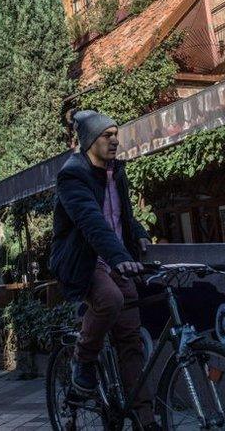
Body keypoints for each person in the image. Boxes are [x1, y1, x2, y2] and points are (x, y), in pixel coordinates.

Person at [49, 110, 156, 429]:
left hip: (115, 257)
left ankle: (143, 416)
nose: (114, 140)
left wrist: (139, 235)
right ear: (88, 141)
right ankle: (83, 361)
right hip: (84, 260)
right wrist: (118, 254)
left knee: (130, 340)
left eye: (115, 133)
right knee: (109, 299)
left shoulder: (115, 173)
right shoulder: (72, 175)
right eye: (106, 135)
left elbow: (123, 216)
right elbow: (91, 222)